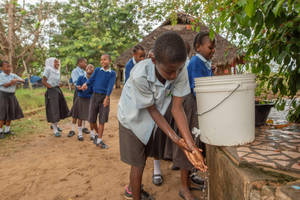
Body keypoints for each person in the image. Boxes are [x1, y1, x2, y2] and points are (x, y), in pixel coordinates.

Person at [118, 31, 207, 200]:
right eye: (169, 72)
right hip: (131, 119)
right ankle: (134, 195)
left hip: (154, 120)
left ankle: (133, 188)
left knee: (144, 155)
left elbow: (177, 108)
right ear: (153, 59)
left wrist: (190, 145)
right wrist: (177, 139)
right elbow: (152, 110)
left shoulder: (179, 70)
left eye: (178, 70)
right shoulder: (140, 75)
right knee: (138, 164)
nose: (174, 76)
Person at [82, 54, 116, 149]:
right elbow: (91, 79)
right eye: (101, 60)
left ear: (109, 61)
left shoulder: (112, 73)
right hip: (95, 96)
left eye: (104, 60)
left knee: (102, 119)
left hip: (104, 97)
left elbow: (110, 85)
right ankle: (97, 134)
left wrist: (107, 97)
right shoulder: (97, 70)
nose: (102, 62)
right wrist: (86, 84)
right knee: (91, 119)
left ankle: (100, 140)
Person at [42, 57, 70, 137]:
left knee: (58, 109)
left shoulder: (57, 70)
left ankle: (56, 125)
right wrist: (50, 87)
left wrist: (58, 84)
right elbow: (43, 81)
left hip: (57, 90)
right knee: (54, 109)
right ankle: (55, 130)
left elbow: (55, 81)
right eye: (56, 62)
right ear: (51, 63)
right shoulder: (48, 69)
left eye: (58, 62)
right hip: (51, 91)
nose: (58, 64)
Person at [0, 61, 25, 139]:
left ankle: (7, 130)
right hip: (3, 95)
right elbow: (5, 85)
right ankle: (0, 131)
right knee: (2, 113)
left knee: (11, 112)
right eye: (7, 67)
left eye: (10, 66)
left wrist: (16, 80)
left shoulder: (13, 75)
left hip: (12, 96)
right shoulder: (1, 76)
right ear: (1, 68)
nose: (9, 68)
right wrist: (12, 82)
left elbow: (23, 80)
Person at [72, 64, 95, 141]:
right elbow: (77, 88)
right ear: (85, 69)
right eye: (88, 67)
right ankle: (80, 134)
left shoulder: (94, 80)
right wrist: (80, 88)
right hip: (81, 99)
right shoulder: (81, 78)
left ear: (93, 71)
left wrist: (88, 88)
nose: (89, 68)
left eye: (91, 67)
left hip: (90, 100)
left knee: (91, 118)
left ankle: (92, 134)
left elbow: (94, 90)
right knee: (80, 117)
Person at [68, 58, 90, 137]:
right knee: (76, 110)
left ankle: (83, 128)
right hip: (78, 92)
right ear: (80, 63)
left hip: (85, 93)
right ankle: (72, 129)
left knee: (84, 109)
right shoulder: (75, 71)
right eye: (85, 62)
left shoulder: (84, 71)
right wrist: (81, 87)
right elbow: (75, 82)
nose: (86, 64)